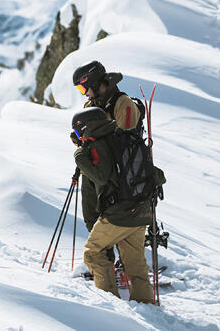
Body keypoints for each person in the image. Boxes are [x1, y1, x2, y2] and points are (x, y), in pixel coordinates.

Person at [71, 62, 153, 303]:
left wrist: (92, 147)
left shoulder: (122, 103)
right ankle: (141, 300)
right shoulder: (91, 105)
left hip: (118, 181)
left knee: (94, 248)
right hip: (100, 179)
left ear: (95, 82)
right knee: (93, 220)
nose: (83, 94)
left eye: (83, 88)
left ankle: (109, 304)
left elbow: (122, 143)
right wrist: (82, 140)